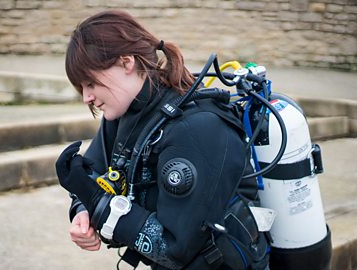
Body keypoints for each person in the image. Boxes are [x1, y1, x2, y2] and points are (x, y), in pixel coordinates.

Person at [56, 10, 269, 270]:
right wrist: (82, 211)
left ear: (126, 62)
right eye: (82, 87)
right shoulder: (125, 113)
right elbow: (94, 175)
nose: (86, 98)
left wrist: (98, 205)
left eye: (91, 83)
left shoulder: (196, 129)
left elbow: (173, 248)